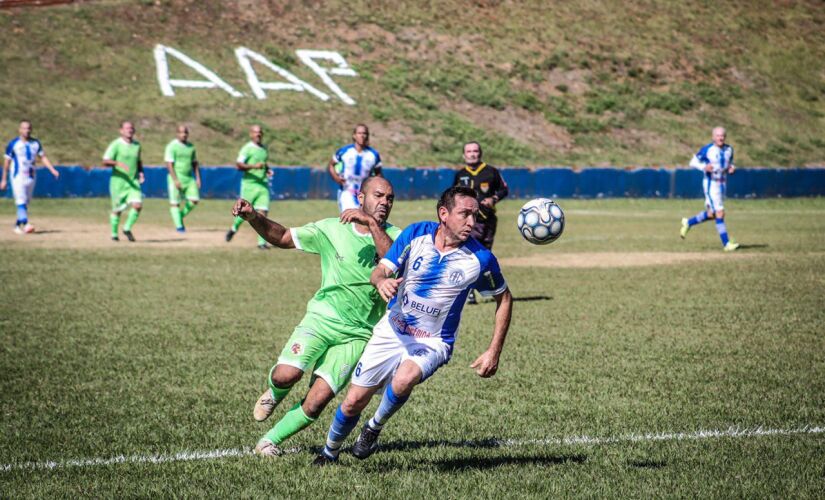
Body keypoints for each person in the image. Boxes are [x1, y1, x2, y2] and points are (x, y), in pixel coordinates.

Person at [313, 186, 513, 465]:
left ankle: (374, 426)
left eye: (475, 215)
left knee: (405, 378)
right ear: (444, 214)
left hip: (433, 341)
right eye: (464, 214)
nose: (472, 222)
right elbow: (380, 270)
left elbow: (504, 298)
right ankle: (329, 452)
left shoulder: (480, 259)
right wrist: (382, 280)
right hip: (392, 329)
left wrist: (494, 351)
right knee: (353, 401)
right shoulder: (416, 234)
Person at [231, 176, 402, 457]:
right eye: (378, 196)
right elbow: (284, 237)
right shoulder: (332, 229)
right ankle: (274, 393)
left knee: (317, 401)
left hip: (358, 334)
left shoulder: (397, 237)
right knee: (287, 375)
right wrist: (253, 217)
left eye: (389, 198)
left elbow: (392, 264)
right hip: (321, 320)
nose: (384, 202)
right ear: (361, 197)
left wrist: (372, 225)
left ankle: (268, 442)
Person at [452, 141, 509, 303]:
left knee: (485, 257)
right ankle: (468, 290)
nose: (472, 154)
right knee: (471, 255)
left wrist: (494, 198)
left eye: (475, 151)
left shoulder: (491, 172)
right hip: (469, 222)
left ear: (480, 153)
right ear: (464, 155)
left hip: (488, 220)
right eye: (468, 151)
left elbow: (504, 189)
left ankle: (485, 287)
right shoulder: (460, 174)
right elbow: (452, 195)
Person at [680, 127, 740, 251]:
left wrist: (731, 168)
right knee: (720, 213)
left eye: (722, 135)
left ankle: (688, 222)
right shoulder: (707, 150)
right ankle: (726, 244)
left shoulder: (729, 149)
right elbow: (693, 162)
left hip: (722, 184)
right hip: (711, 185)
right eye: (718, 135)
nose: (720, 138)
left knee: (712, 214)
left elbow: (730, 163)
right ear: (713, 137)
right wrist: (704, 167)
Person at [1, 120, 59, 234]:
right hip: (17, 176)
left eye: (28, 128)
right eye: (24, 128)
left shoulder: (35, 143)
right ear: (19, 129)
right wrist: (3, 179)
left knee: (25, 203)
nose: (26, 130)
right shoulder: (14, 144)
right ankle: (26, 224)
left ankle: (17, 225)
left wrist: (52, 170)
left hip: (31, 176)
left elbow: (43, 157)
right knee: (21, 201)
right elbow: (7, 162)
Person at [226, 125, 272, 249]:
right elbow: (239, 165)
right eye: (256, 132)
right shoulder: (247, 149)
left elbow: (263, 164)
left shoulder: (264, 149)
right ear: (251, 134)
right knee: (244, 213)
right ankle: (233, 228)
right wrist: (253, 166)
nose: (258, 134)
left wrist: (267, 170)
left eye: (260, 132)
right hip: (249, 185)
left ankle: (261, 243)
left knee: (263, 213)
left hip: (262, 185)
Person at [102, 121, 143, 242]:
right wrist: (117, 163)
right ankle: (114, 234)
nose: (129, 130)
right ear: (121, 131)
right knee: (117, 210)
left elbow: (139, 161)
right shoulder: (116, 144)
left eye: (131, 128)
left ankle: (127, 228)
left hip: (133, 182)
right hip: (118, 182)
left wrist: (141, 173)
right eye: (126, 128)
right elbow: (105, 161)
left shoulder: (137, 145)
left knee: (138, 205)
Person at [328, 124, 382, 212]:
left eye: (364, 133)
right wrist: (336, 178)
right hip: (347, 191)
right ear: (354, 135)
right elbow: (331, 165)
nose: (362, 135)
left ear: (367, 136)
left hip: (365, 193)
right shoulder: (344, 151)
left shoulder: (373, 155)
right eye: (359, 133)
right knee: (349, 218)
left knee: (364, 220)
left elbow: (378, 173)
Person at [164, 125, 201, 233]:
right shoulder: (172, 146)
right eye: (181, 132)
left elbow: (195, 163)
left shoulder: (191, 147)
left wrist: (198, 178)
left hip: (189, 178)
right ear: (177, 134)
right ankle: (179, 227)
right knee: (175, 203)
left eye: (185, 132)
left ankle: (178, 216)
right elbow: (169, 164)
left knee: (194, 200)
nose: (183, 134)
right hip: (176, 177)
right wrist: (175, 179)